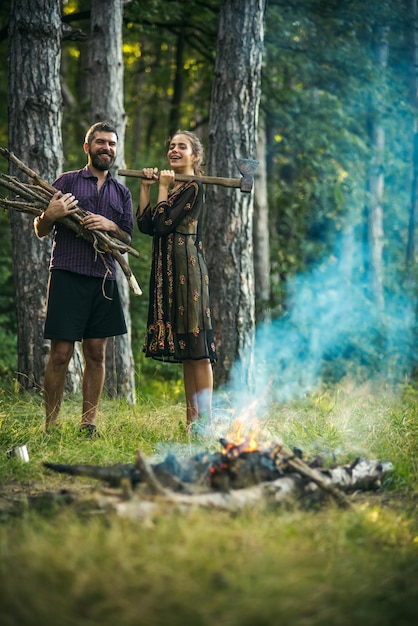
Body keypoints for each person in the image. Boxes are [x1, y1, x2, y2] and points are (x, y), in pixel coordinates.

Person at [34, 121, 134, 437]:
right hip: (67, 274)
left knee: (96, 353)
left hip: (104, 278)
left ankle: (88, 425)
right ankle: (50, 425)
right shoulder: (66, 182)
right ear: (87, 147)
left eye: (112, 144)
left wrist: (110, 225)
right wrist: (50, 215)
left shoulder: (122, 193)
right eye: (100, 142)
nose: (106, 148)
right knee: (61, 354)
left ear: (116, 150)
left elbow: (127, 239)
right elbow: (40, 228)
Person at [137, 130, 217, 433]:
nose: (174, 150)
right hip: (168, 271)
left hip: (188, 270)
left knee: (198, 349)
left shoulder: (193, 186)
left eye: (181, 147)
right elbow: (145, 224)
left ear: (194, 156)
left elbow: (163, 223)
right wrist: (147, 187)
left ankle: (206, 424)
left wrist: (162, 188)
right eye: (171, 146)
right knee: (186, 351)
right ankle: (191, 421)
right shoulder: (171, 187)